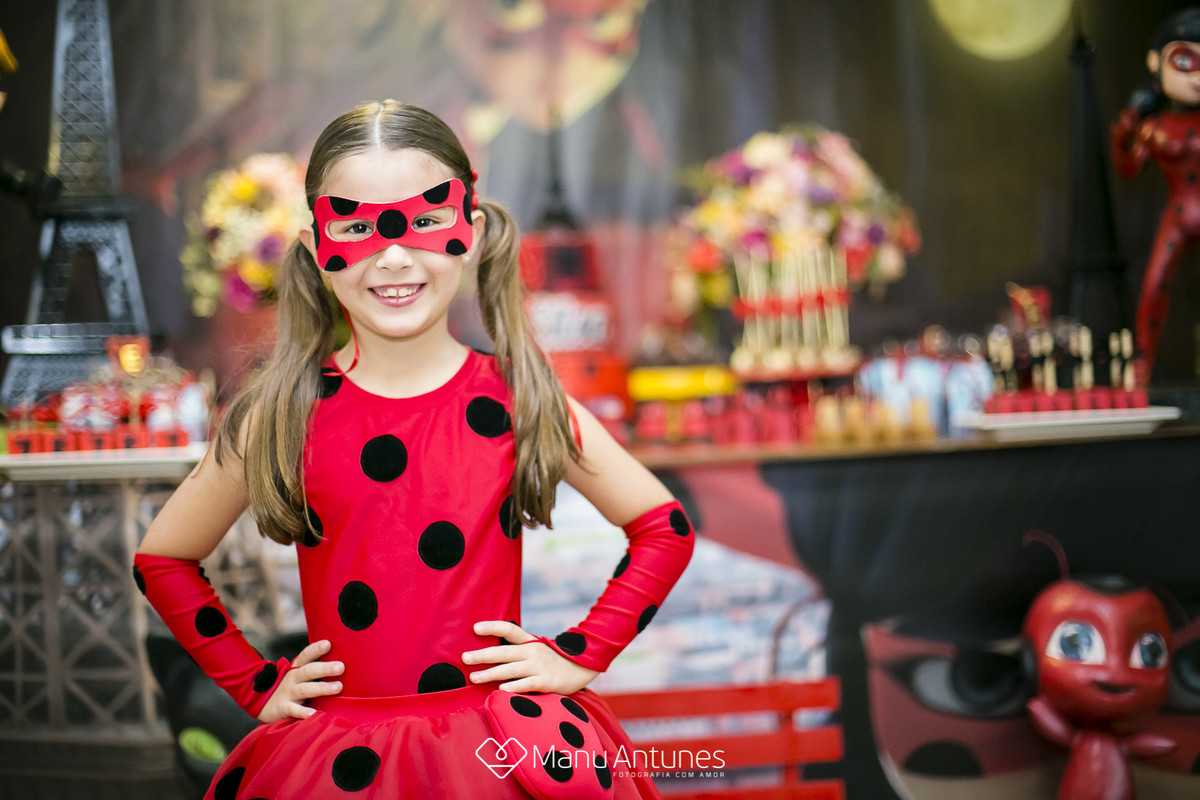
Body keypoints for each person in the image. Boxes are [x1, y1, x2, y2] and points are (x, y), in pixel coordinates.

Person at [133, 100, 694, 799]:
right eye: (357, 227)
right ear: (316, 247)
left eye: (426, 221)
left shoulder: (521, 400)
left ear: (472, 232)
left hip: (494, 760)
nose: (394, 256)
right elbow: (163, 558)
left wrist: (580, 654)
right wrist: (254, 683)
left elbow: (664, 527)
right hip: (338, 765)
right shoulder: (281, 415)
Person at [1112, 6, 1200, 384]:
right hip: (1178, 213)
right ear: (1156, 62)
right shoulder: (1157, 125)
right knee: (1154, 285)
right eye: (1185, 61)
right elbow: (1129, 169)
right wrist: (1122, 134)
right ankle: (1141, 362)